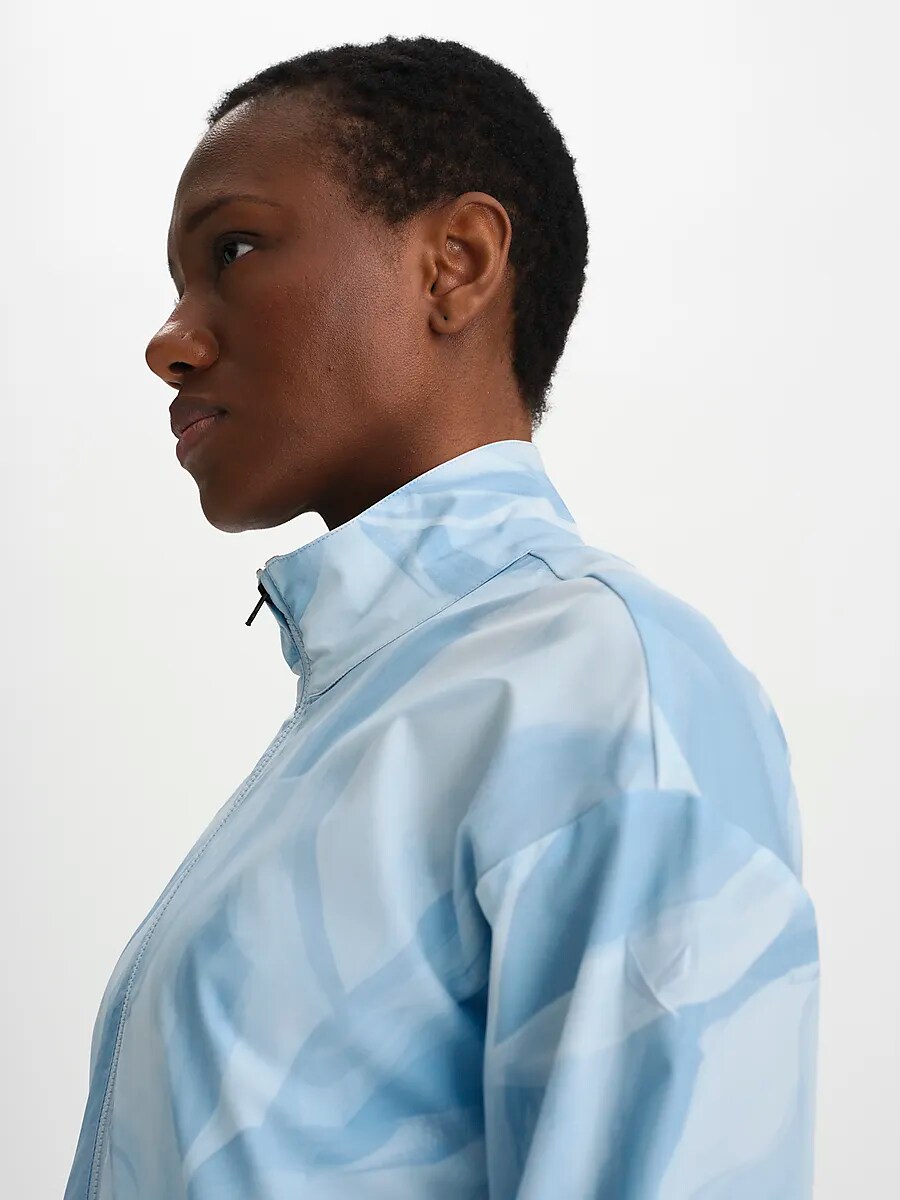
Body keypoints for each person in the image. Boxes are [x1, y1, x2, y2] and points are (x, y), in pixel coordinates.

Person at [64, 34, 820, 1200]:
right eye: (179, 283)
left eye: (235, 250)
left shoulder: (603, 684)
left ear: (455, 264)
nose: (171, 341)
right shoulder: (378, 708)